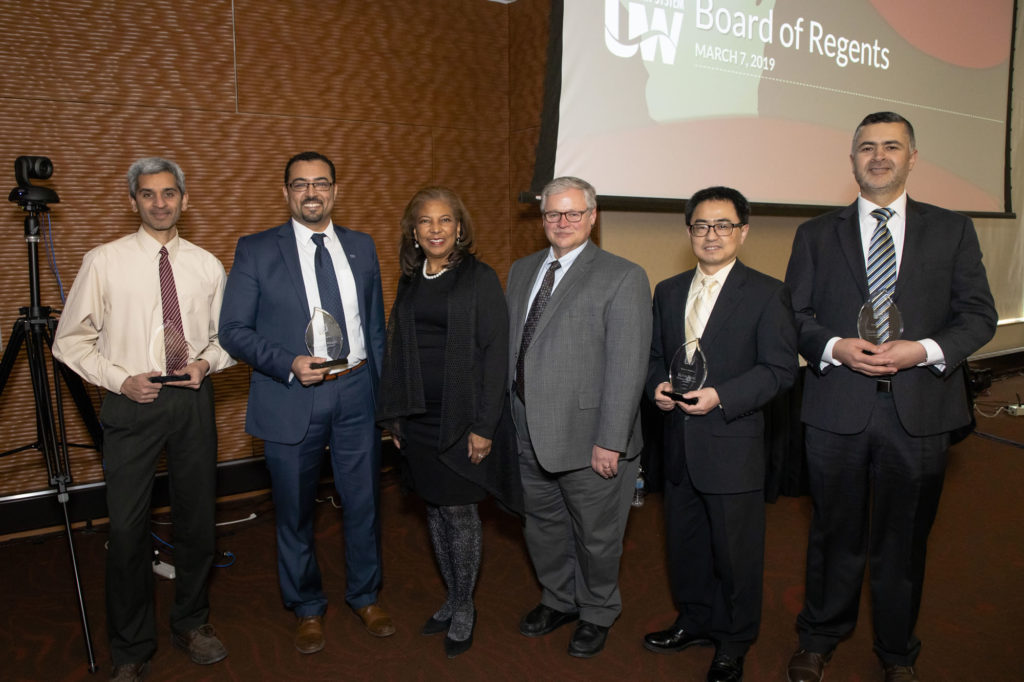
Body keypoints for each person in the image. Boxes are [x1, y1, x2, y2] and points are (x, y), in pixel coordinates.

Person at [783, 112, 997, 682]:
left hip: (921, 409)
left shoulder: (952, 229)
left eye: (892, 146)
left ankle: (898, 652)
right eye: (867, 147)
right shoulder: (815, 234)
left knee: (904, 540)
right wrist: (832, 346)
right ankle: (820, 636)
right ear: (851, 159)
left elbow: (979, 317)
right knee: (833, 532)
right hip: (836, 407)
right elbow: (795, 317)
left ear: (912, 157)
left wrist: (922, 349)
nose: (879, 156)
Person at [52, 157, 235, 681]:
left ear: (184, 199)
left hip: (191, 400)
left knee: (197, 520)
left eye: (169, 193)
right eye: (148, 194)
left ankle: (192, 623)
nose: (160, 203)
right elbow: (70, 341)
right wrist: (118, 379)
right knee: (129, 532)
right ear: (133, 201)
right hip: (131, 400)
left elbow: (227, 337)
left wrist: (206, 362)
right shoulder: (103, 261)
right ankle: (131, 648)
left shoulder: (206, 265)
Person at [218, 151, 391, 655]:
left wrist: (384, 401)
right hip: (293, 394)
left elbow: (375, 329)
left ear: (335, 190)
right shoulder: (256, 250)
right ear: (286, 192)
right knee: (293, 511)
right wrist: (287, 361)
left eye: (320, 183)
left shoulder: (361, 246)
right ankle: (307, 607)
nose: (311, 192)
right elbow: (232, 331)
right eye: (300, 185)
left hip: (357, 392)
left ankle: (365, 595)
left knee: (364, 503)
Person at [643, 186, 798, 682]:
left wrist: (722, 396)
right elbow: (652, 358)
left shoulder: (768, 293)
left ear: (743, 231)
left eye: (723, 225)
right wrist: (656, 387)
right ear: (689, 231)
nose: (712, 235)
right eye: (701, 226)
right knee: (685, 546)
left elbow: (779, 370)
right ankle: (693, 620)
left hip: (733, 444)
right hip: (679, 443)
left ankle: (733, 640)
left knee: (736, 554)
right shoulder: (667, 291)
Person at [507, 176, 652, 658]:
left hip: (592, 437)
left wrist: (611, 439)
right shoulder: (521, 271)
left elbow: (628, 366)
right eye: (552, 214)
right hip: (527, 429)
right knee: (542, 527)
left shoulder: (623, 275)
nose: (562, 222)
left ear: (592, 217)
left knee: (597, 535)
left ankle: (597, 610)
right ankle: (559, 598)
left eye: (572, 213)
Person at [376, 186, 521, 658]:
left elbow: (496, 355)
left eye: (445, 221)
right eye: (425, 221)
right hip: (418, 417)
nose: (435, 229)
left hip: (462, 419)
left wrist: (484, 426)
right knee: (435, 509)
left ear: (460, 228)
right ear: (413, 232)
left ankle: (465, 606)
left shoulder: (480, 277)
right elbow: (399, 349)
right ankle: (453, 595)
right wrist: (396, 416)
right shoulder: (411, 279)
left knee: (459, 511)